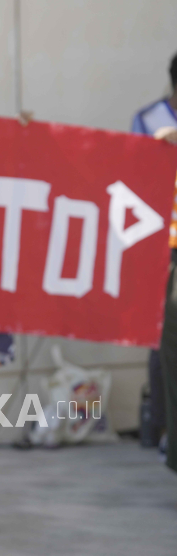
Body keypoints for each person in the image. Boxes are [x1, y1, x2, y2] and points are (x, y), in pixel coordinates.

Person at [133, 51, 177, 472]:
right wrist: (153, 152)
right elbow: (128, 177)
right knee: (164, 342)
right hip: (163, 247)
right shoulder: (148, 120)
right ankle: (165, 430)